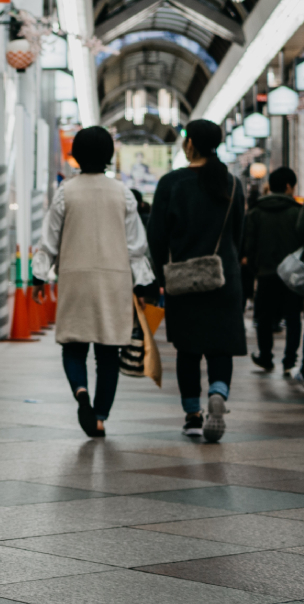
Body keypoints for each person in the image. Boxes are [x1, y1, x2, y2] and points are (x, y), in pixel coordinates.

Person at [34, 126, 155, 438]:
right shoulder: (123, 193)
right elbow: (136, 247)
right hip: (115, 281)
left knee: (73, 346)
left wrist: (38, 276)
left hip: (75, 279)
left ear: (76, 153)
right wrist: (142, 286)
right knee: (107, 354)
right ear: (109, 156)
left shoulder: (66, 193)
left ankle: (81, 393)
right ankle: (100, 417)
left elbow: (48, 241)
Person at [147, 120, 246, 443]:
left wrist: (158, 276)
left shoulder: (171, 184)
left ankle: (192, 415)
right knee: (221, 346)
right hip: (223, 278)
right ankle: (218, 391)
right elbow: (238, 236)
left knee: (187, 349)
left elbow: (157, 238)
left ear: (189, 144)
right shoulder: (231, 184)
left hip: (183, 280)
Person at [243, 167, 303, 375]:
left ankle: (266, 356)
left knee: (264, 317)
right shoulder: (297, 211)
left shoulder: (256, 211)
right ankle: (289, 360)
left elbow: (249, 244)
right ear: (288, 186)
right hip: (292, 276)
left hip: (265, 273)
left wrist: (254, 268)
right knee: (293, 317)